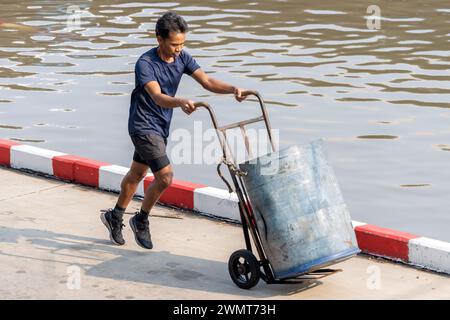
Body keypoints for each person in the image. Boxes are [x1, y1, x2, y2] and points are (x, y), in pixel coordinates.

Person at [101, 11, 250, 249]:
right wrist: (180, 101)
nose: (178, 49)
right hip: (143, 126)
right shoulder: (145, 64)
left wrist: (234, 89)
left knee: (137, 174)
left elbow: (208, 82)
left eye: (182, 44)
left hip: (160, 127)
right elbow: (158, 97)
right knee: (165, 177)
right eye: (174, 44)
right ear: (159, 38)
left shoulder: (182, 57)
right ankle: (141, 219)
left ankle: (115, 216)